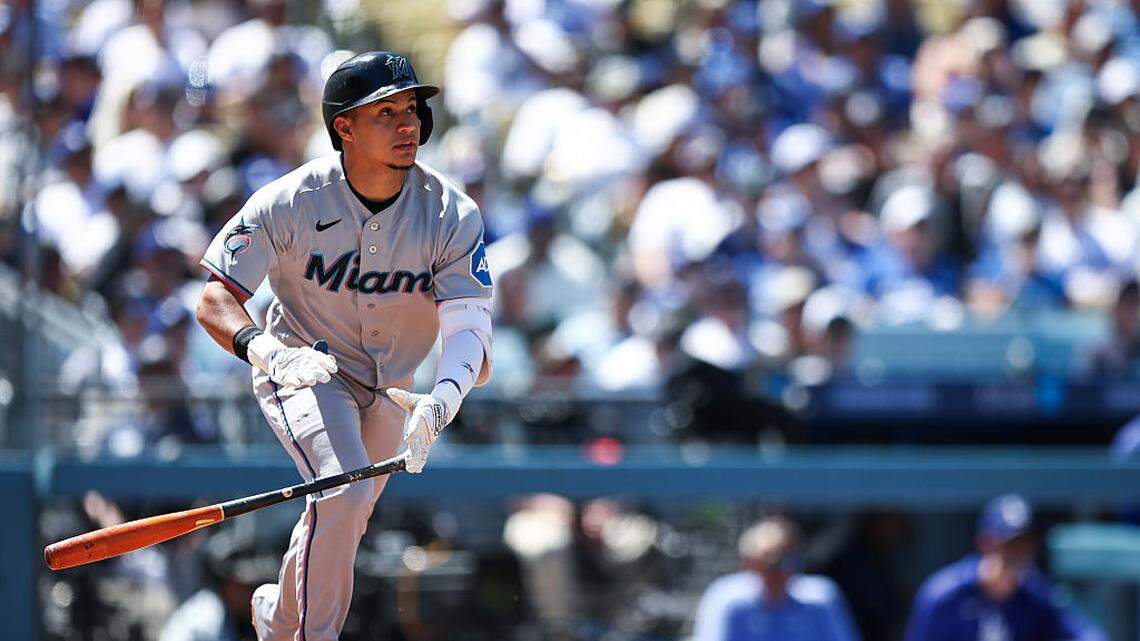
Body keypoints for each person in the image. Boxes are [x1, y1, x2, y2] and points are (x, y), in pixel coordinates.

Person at [194, 51, 494, 641]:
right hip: (303, 367)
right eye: (385, 112)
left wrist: (444, 398)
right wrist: (265, 351)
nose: (407, 123)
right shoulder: (290, 199)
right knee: (344, 488)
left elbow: (469, 328)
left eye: (411, 109)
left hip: (392, 387)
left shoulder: (452, 212)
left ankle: (278, 618)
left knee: (342, 514)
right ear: (344, 127)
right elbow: (213, 299)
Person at [903, 494, 1106, 641]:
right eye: (1010, 544)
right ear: (986, 543)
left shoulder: (1037, 594)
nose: (1019, 553)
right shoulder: (944, 595)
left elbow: (1086, 634)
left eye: (1025, 543)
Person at [692, 516, 861, 641]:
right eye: (772, 562)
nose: (784, 570)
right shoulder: (727, 599)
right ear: (749, 563)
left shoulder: (821, 597)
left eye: (792, 560)